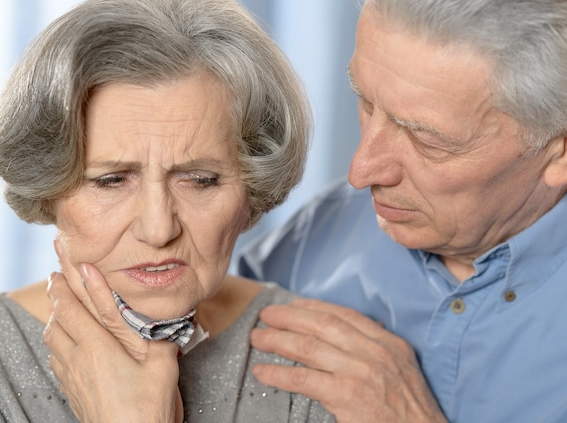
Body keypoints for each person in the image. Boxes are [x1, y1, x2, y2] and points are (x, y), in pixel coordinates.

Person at [0, 0, 336, 421]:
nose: (158, 229)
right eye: (110, 181)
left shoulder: (321, 358)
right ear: (48, 186)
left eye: (200, 180)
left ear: (253, 187)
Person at [235, 0, 567, 422]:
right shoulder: (323, 230)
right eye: (367, 103)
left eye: (427, 140)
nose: (360, 172)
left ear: (559, 152)